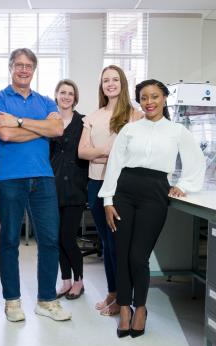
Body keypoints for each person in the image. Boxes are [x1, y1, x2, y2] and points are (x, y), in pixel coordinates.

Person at [99, 79, 205, 338]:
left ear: (165, 98)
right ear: (140, 101)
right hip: (124, 190)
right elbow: (114, 164)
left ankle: (141, 308)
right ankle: (125, 309)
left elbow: (196, 159)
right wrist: (108, 200)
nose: (149, 102)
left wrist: (184, 185)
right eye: (144, 97)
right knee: (122, 254)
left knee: (138, 256)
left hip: (155, 194)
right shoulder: (129, 129)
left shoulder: (177, 131)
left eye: (155, 96)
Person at [0, 48, 72, 322]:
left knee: (49, 239)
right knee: (10, 240)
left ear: (34, 70)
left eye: (28, 66)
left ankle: (46, 300)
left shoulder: (47, 101)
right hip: (9, 179)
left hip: (43, 177)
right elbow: (4, 134)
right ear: (10, 67)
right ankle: (12, 301)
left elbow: (58, 130)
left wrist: (20, 122)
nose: (23, 70)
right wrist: (38, 129)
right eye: (19, 65)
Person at [78, 65, 142, 316]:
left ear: (123, 83)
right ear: (101, 85)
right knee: (106, 242)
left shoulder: (134, 115)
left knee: (118, 243)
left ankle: (124, 296)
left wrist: (100, 154)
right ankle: (113, 292)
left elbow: (133, 153)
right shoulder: (93, 116)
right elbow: (82, 152)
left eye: (115, 79)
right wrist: (108, 153)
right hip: (96, 184)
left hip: (120, 186)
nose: (110, 84)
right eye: (106, 80)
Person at [50, 79, 88, 300]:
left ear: (75, 98)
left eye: (70, 93)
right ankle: (65, 281)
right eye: (62, 92)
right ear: (56, 95)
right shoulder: (50, 122)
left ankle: (79, 281)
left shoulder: (83, 122)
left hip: (75, 186)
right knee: (56, 238)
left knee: (68, 237)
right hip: (53, 187)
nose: (66, 96)